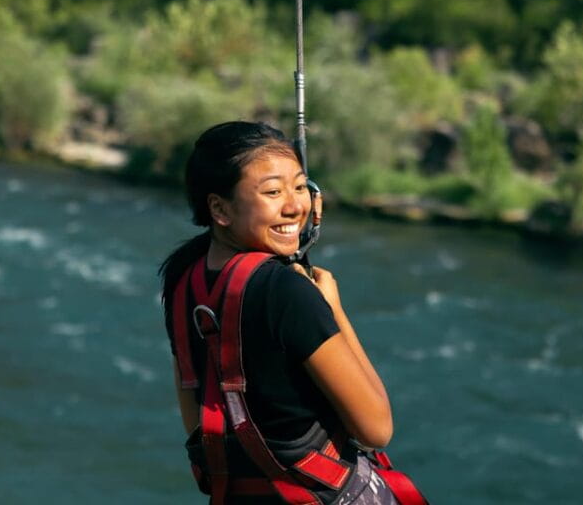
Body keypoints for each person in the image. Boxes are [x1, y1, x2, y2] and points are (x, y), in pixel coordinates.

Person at [161, 121, 424, 504]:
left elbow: (197, 422)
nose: (295, 206)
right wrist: (332, 308)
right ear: (219, 208)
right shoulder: (286, 291)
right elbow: (376, 429)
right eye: (272, 191)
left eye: (300, 187)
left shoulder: (183, 279)